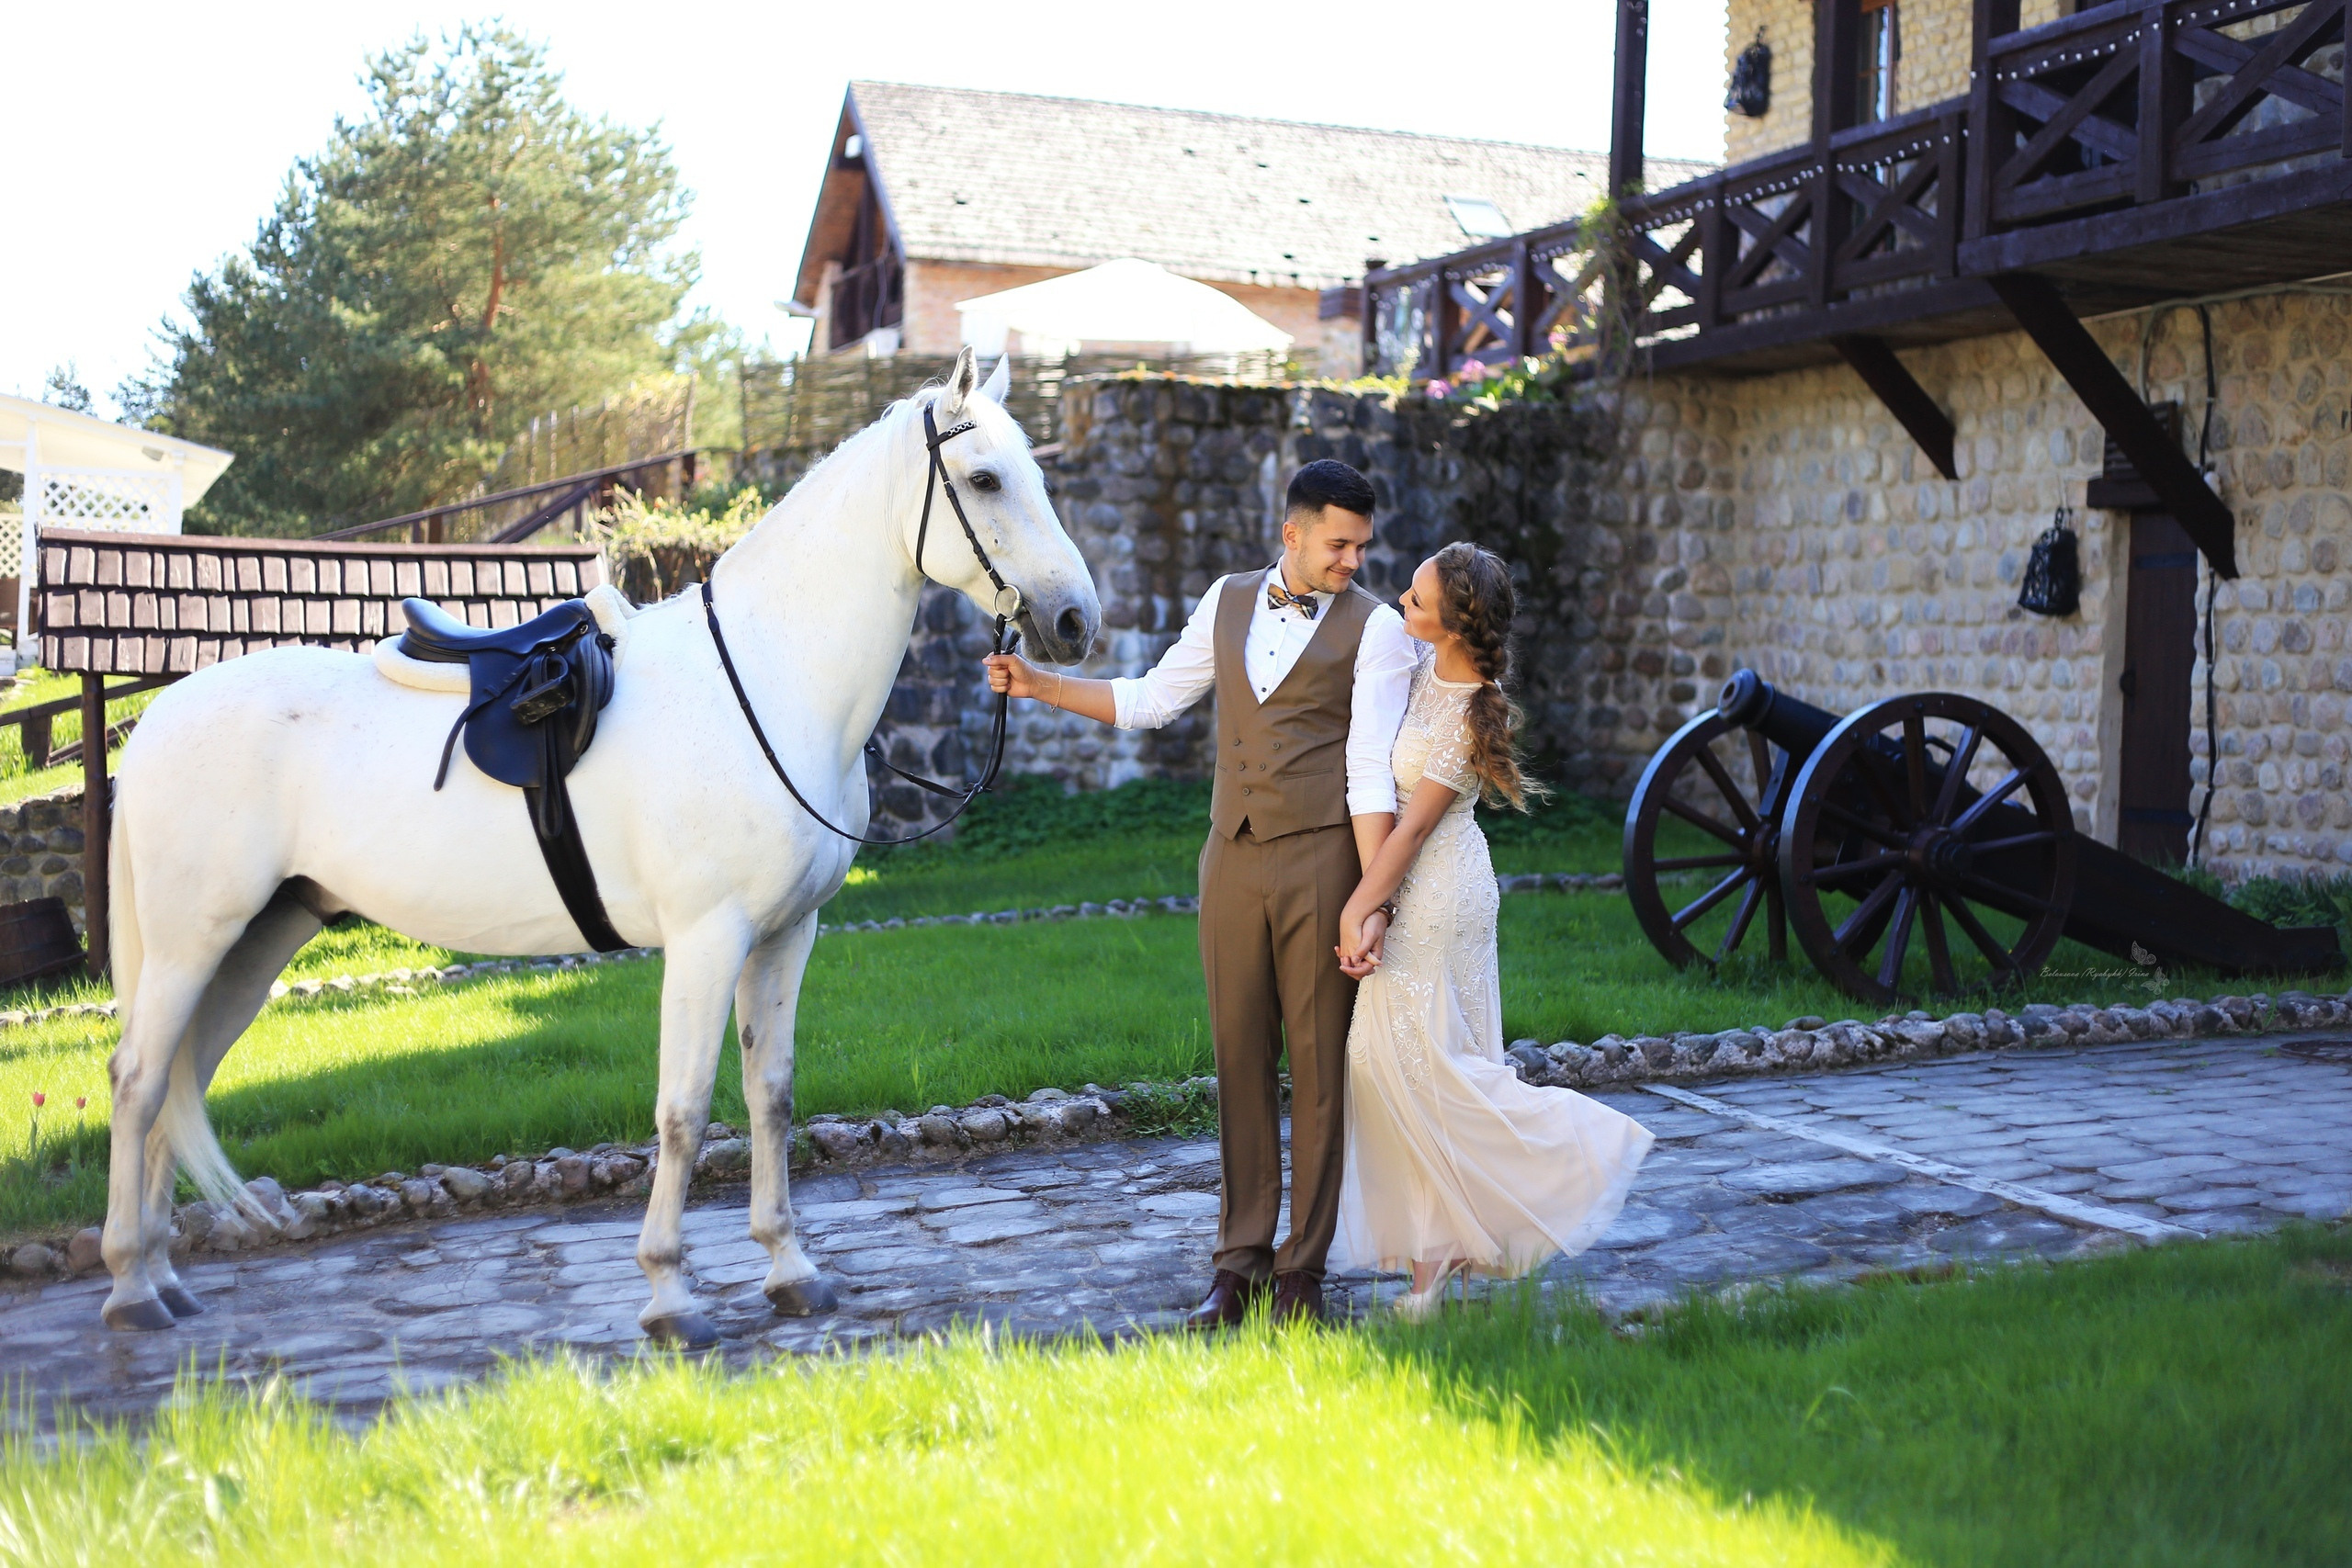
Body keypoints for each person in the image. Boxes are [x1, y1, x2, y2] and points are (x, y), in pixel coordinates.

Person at [985, 459, 1416, 1325]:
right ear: (1291, 533)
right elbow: (1151, 700)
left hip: (1323, 862)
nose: (1353, 563)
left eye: (1362, 547)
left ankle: (1302, 1273)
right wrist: (1041, 685)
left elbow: (1370, 772)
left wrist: (1368, 898)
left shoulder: (1377, 631)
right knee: (1238, 1059)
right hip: (1230, 857)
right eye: (1338, 544)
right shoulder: (1227, 598)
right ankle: (1240, 1264)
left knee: (1321, 1070)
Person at [1331, 541, 1653, 1317]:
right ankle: (1436, 1265)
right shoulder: (1423, 666)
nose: (1399, 604)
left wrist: (1358, 907)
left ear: (1453, 620)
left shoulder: (1473, 704)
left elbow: (1410, 833)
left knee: (1419, 1063)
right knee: (1403, 1063)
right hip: (1427, 878)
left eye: (1414, 598)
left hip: (1442, 890)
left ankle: (1582, 1143)